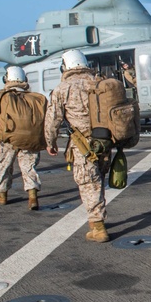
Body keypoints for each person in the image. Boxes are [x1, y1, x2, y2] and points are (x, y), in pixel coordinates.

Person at [43, 49, 111, 243]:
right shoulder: (100, 81)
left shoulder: (63, 88)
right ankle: (97, 218)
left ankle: (98, 227)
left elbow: (52, 119)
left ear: (65, 66)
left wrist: (50, 142)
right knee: (98, 181)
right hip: (105, 141)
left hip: (83, 145)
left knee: (89, 183)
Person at [0, 65, 43, 210]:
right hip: (30, 138)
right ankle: (32, 196)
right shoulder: (32, 96)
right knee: (29, 167)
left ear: (6, 79)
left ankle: (2, 194)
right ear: (24, 79)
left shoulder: (2, 95)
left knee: (5, 165)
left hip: (9, 138)